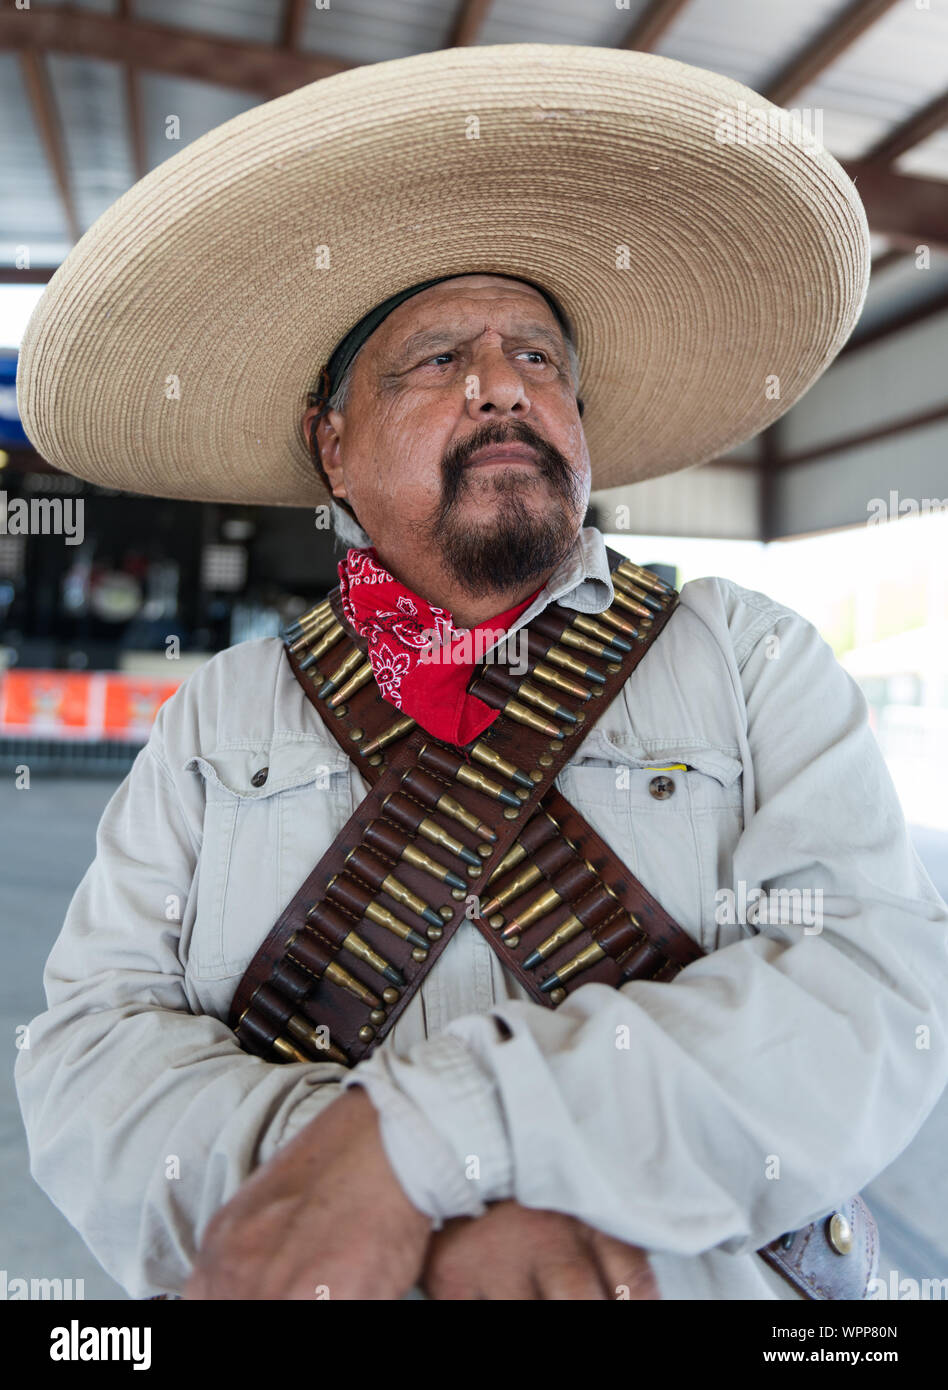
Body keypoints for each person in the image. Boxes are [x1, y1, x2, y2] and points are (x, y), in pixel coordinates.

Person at [14, 45, 948, 1301]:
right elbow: (88, 1050)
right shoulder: (220, 712)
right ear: (330, 446)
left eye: (542, 360)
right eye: (439, 358)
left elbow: (869, 994)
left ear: (577, 426)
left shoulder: (750, 653)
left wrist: (412, 1150)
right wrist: (366, 1195)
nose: (505, 383)